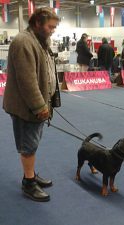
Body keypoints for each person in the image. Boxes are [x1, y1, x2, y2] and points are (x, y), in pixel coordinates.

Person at [2, 7, 60, 202]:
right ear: (37, 23)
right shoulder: (23, 42)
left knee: (33, 143)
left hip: (37, 105)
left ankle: (31, 175)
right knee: (29, 146)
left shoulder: (39, 41)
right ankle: (28, 183)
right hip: (26, 107)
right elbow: (27, 81)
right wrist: (39, 107)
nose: (53, 30)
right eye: (50, 27)